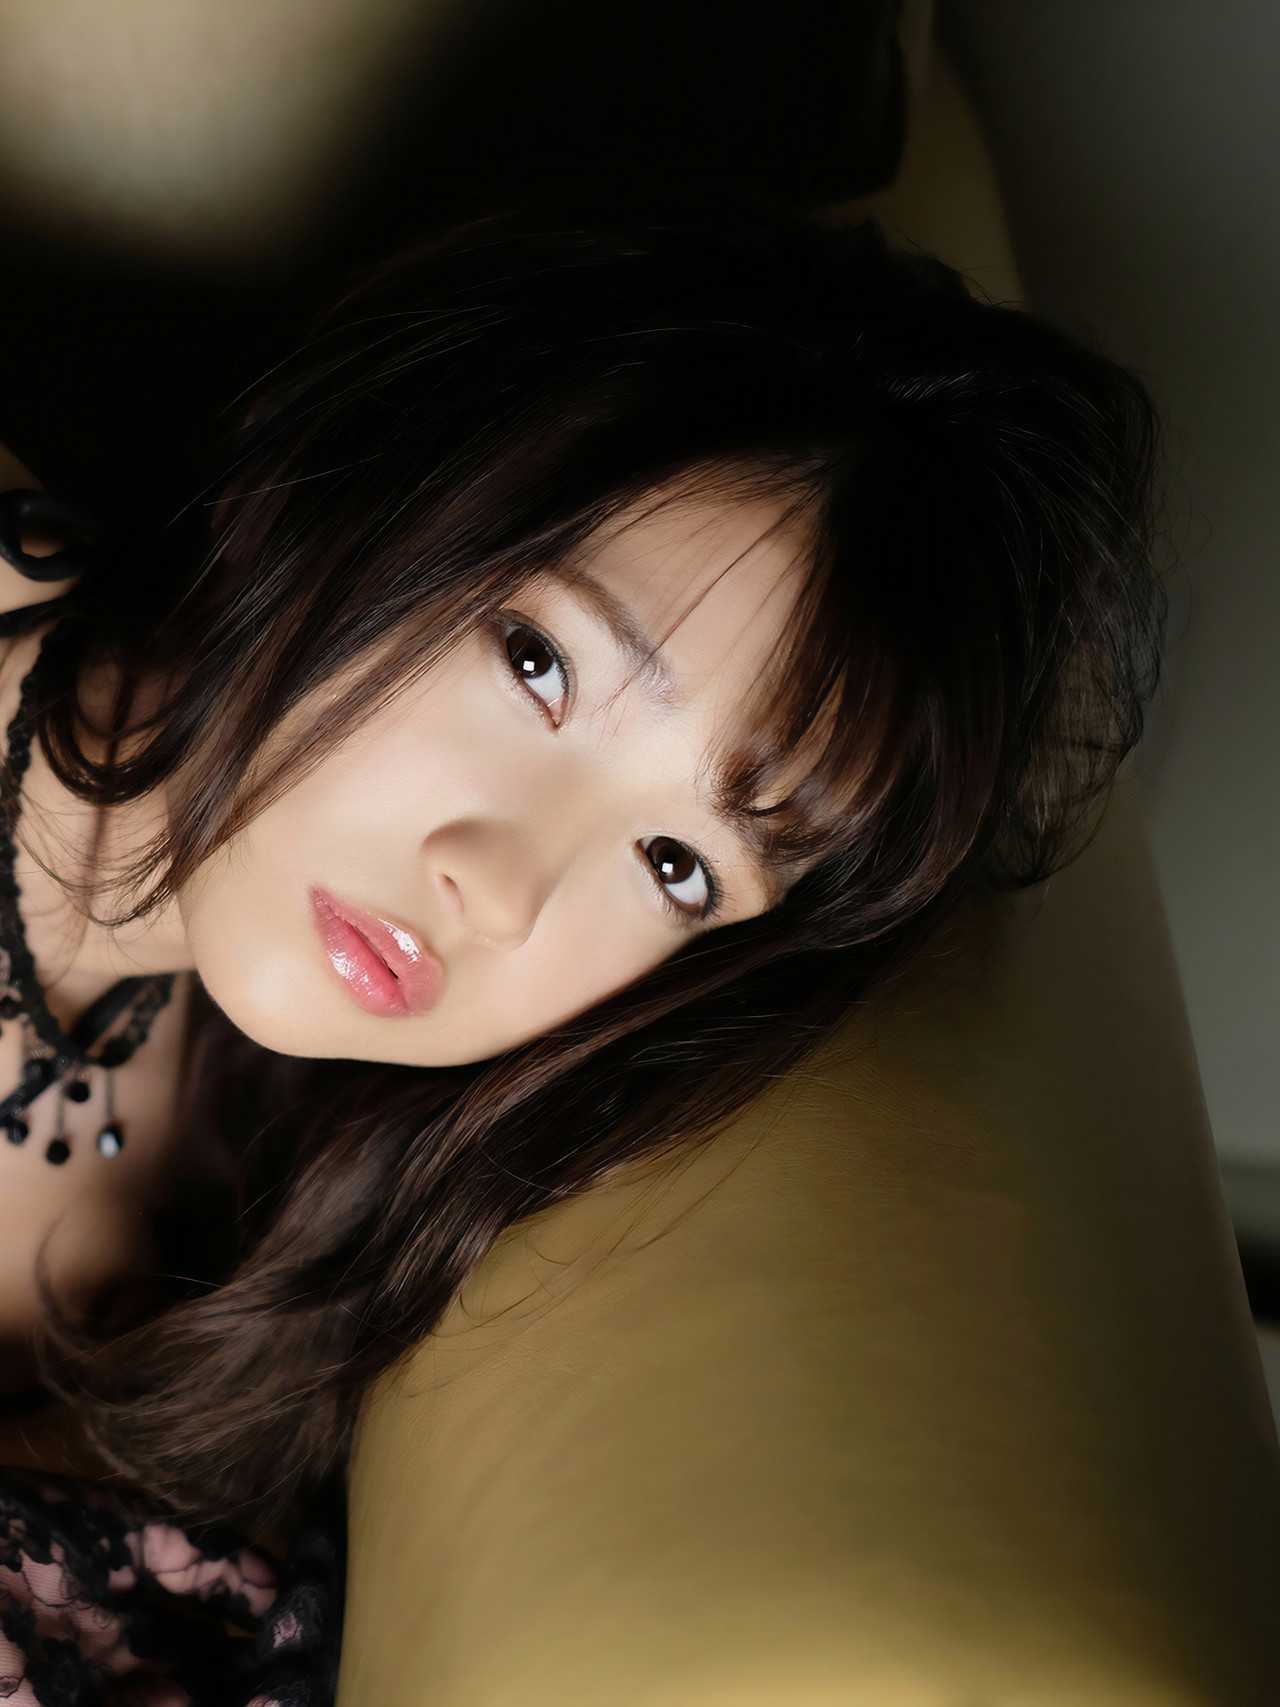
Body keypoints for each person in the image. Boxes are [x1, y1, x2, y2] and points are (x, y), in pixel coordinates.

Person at [0, 202, 1170, 1704]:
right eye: (538, 664)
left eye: (677, 866)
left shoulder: (286, 1169)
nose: (496, 889)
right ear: (385, 478)